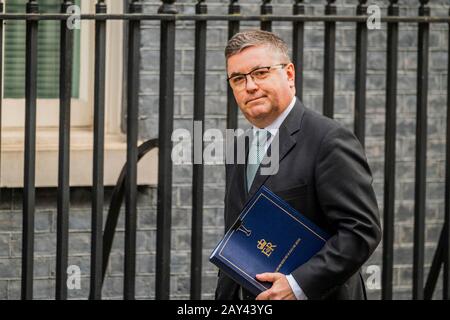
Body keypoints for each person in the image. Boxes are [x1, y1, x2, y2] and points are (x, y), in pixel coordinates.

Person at [215, 30, 382, 300]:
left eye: (260, 72)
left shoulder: (328, 140)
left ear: (289, 75)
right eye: (238, 78)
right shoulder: (239, 147)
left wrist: (296, 285)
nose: (250, 86)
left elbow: (360, 231)